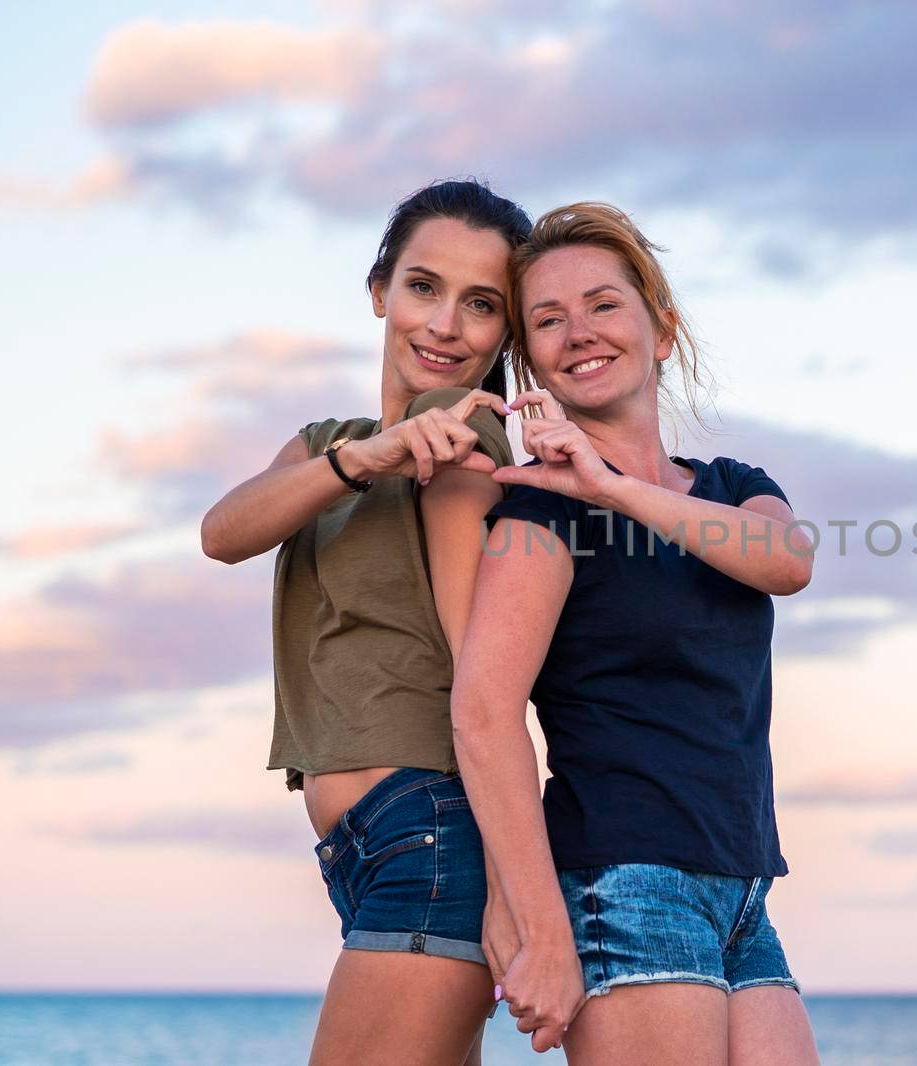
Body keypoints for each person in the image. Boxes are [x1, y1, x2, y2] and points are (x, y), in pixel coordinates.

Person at [452, 202, 823, 1064]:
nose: (578, 331)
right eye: (547, 320)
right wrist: (542, 928)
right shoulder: (539, 510)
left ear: (661, 331)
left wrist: (614, 488)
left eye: (603, 305)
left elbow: (789, 561)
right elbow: (482, 711)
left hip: (741, 894)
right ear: (530, 362)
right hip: (622, 882)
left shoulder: (734, 486)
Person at [200, 179, 531, 1065]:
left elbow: (483, 674)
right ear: (380, 290)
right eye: (424, 287)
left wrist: (511, 887)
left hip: (430, 839)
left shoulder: (459, 436)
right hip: (378, 852)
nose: (446, 325)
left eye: (482, 305)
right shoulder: (326, 446)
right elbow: (222, 533)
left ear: (507, 332)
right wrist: (363, 457)